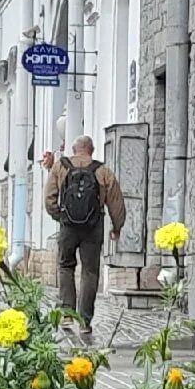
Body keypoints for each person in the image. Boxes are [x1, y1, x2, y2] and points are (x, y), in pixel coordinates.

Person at [44, 134, 124, 334]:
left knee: (65, 267)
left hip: (68, 227)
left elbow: (49, 198)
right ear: (92, 150)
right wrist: (117, 227)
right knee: (90, 272)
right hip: (93, 228)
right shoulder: (103, 171)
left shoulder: (60, 167)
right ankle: (85, 321)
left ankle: (67, 315)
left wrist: (60, 216)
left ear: (73, 150)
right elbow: (116, 202)